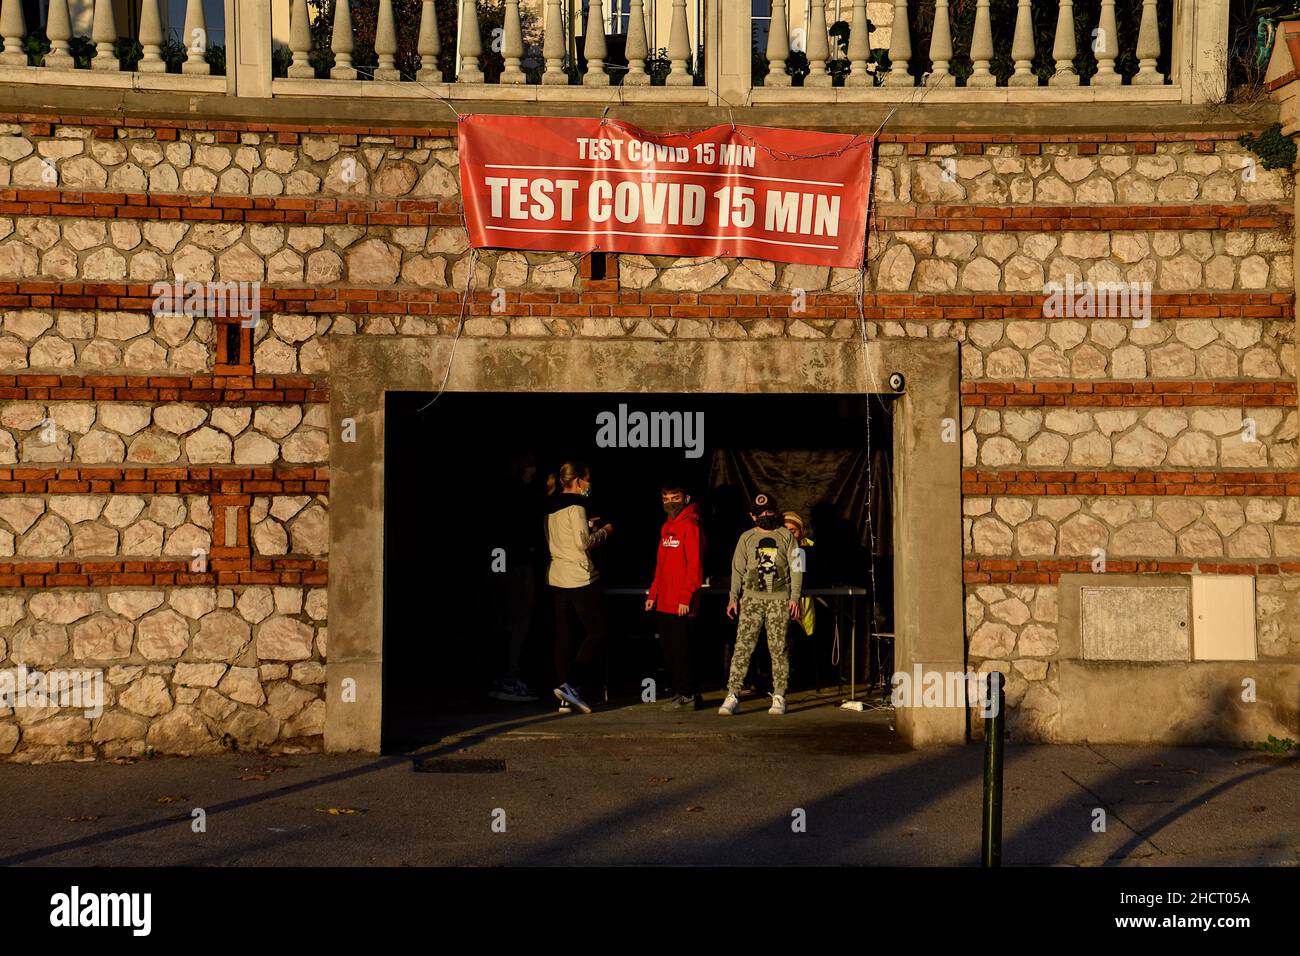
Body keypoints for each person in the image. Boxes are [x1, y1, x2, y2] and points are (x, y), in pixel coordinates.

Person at [720, 493, 802, 716]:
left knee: (779, 649)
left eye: (768, 512)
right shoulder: (746, 538)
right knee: (742, 648)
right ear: (751, 515)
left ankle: (779, 695)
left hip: (779, 600)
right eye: (759, 514)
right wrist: (732, 598)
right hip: (751, 600)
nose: (765, 516)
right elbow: (737, 570)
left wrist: (794, 597)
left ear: (775, 512)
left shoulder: (787, 536)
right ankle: (733, 694)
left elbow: (797, 568)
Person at [545, 461, 613, 714]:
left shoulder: (550, 506)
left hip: (557, 576)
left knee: (565, 636)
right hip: (579, 577)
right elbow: (583, 543)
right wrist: (605, 531)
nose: (589, 485)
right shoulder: (577, 506)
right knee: (599, 631)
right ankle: (571, 685)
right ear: (578, 481)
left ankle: (565, 697)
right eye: (587, 479)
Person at [488, 452, 543, 702]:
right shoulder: (520, 494)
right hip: (516, 563)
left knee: (508, 619)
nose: (534, 472)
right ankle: (510, 678)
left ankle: (504, 675)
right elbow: (524, 529)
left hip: (505, 562)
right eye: (531, 467)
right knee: (520, 620)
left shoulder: (505, 491)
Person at [645, 481, 705, 711]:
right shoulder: (666, 527)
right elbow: (661, 565)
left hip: (681, 603)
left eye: (675, 497)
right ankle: (681, 693)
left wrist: (685, 597)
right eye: (666, 498)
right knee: (669, 651)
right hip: (664, 602)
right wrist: (653, 593)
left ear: (686, 498)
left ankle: (689, 694)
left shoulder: (691, 526)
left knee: (682, 651)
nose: (670, 502)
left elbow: (695, 567)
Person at [783, 512, 816, 640]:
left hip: (805, 601)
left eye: (793, 531)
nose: (789, 536)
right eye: (785, 531)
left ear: (801, 531)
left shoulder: (811, 546)